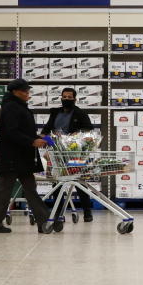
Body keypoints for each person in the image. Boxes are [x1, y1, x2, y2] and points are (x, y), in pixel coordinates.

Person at [0, 79, 53, 233]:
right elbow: (11, 132)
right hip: (11, 157)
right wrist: (32, 141)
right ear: (15, 92)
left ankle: (44, 221)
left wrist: (38, 139)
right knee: (5, 190)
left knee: (30, 189)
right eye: (25, 91)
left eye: (28, 91)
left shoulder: (19, 106)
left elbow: (22, 131)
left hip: (22, 157)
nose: (27, 94)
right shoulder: (11, 107)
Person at [40, 87, 95, 222]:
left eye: (69, 97)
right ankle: (58, 211)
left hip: (75, 153)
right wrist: (46, 143)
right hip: (57, 153)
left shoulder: (81, 114)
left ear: (75, 99)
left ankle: (87, 212)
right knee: (57, 182)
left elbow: (88, 130)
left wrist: (74, 136)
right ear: (61, 98)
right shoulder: (55, 112)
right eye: (64, 97)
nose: (66, 99)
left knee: (79, 181)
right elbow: (46, 130)